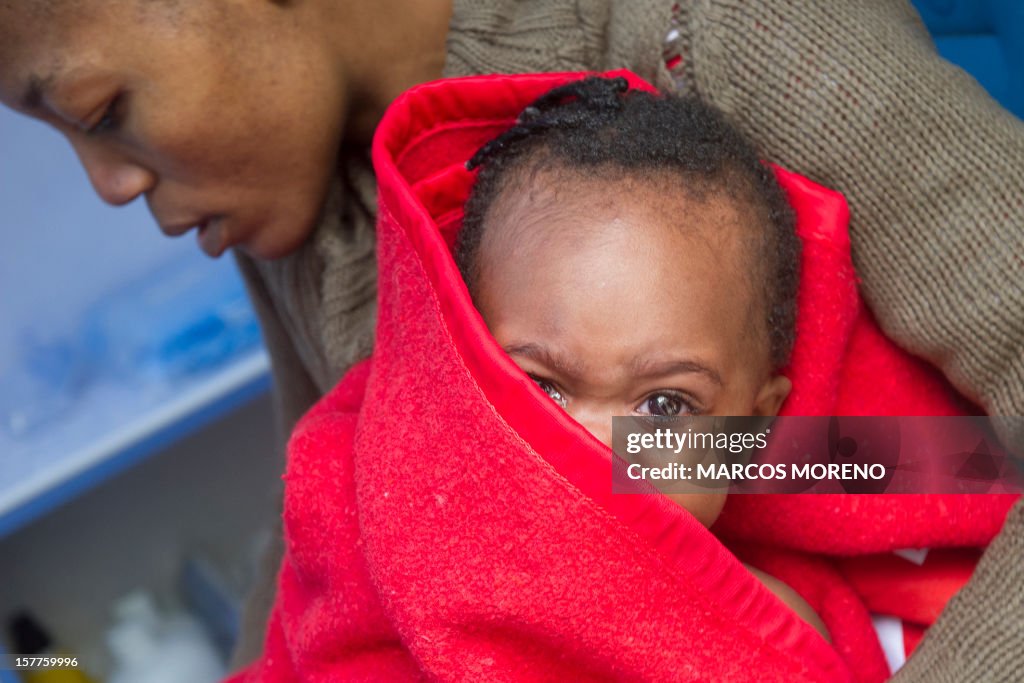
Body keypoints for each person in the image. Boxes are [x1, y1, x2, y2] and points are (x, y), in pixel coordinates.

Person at [0, 0, 1020, 677]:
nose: (108, 184)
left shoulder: (722, 31)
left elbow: (900, 463)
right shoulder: (300, 212)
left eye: (103, 107)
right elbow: (320, 515)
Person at [456, 75, 829, 641]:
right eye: (541, 387)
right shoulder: (407, 554)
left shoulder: (768, 637)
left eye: (664, 404)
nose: (592, 450)